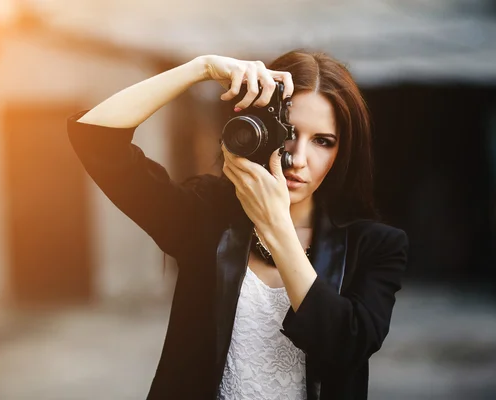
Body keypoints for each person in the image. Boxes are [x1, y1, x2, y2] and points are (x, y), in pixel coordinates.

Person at [67, 49, 408, 400]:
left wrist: (276, 226)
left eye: (323, 141)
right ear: (261, 128)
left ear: (342, 152)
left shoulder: (377, 246)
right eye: (289, 132)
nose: (299, 159)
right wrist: (200, 68)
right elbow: (94, 138)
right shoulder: (208, 214)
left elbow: (345, 348)